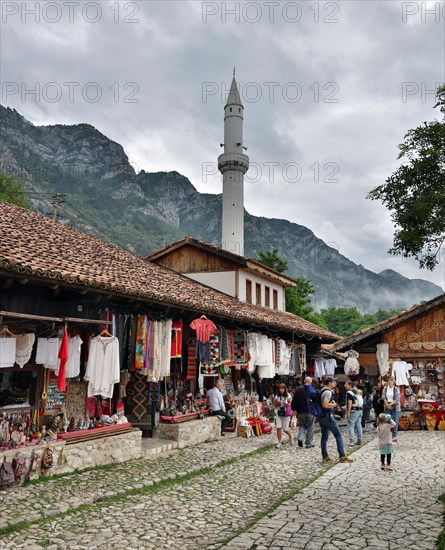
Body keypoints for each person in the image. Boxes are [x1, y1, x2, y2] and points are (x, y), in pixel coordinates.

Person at [317, 376, 354, 463]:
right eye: (333, 382)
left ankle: (325, 456)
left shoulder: (322, 390)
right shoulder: (328, 392)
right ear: (329, 383)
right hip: (327, 417)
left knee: (324, 437)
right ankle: (342, 455)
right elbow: (325, 405)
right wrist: (333, 405)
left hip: (321, 416)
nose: (335, 383)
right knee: (338, 435)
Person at [291, 376, 315, 448]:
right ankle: (308, 443)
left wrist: (294, 409)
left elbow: (294, 400)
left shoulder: (298, 390)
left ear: (304, 381)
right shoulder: (312, 389)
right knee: (310, 427)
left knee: (302, 425)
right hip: (310, 411)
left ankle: (300, 438)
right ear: (310, 382)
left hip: (300, 411)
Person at [273, 383, 293, 449]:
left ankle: (290, 436)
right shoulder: (277, 396)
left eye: (282, 389)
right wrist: (277, 404)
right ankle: (279, 442)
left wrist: (286, 403)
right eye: (280, 389)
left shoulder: (288, 395)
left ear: (285, 389)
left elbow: (291, 404)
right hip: (279, 413)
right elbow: (274, 403)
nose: (281, 390)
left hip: (286, 414)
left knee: (285, 429)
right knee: (278, 428)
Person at [345, 380, 363, 446]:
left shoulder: (349, 393)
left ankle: (352, 441)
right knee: (358, 425)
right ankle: (360, 440)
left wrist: (348, 413)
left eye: (346, 384)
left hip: (354, 411)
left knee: (351, 425)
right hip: (360, 410)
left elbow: (350, 403)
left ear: (350, 385)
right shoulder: (356, 391)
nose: (345, 386)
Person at [382, 377, 401, 442]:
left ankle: (394, 436)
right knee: (387, 421)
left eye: (391, 380)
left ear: (393, 382)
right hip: (387, 406)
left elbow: (397, 398)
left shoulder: (396, 389)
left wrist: (390, 404)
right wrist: (387, 404)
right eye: (388, 380)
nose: (389, 381)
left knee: (394, 421)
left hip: (395, 407)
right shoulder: (385, 388)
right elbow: (384, 397)